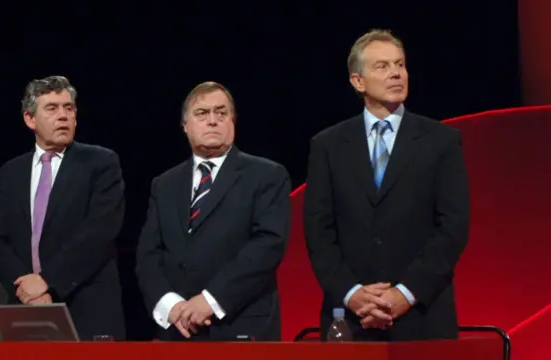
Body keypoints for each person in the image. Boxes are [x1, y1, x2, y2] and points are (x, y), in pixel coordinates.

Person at [303, 29, 470, 341]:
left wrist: (406, 294)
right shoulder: (328, 145)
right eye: (382, 66)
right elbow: (319, 233)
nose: (396, 73)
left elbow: (453, 227)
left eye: (400, 65)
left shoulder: (441, 141)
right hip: (352, 320)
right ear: (358, 81)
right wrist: (352, 294)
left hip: (423, 317)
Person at [136, 81, 291, 341]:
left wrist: (210, 300)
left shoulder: (267, 175)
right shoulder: (164, 184)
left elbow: (267, 246)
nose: (213, 121)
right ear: (185, 126)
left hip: (239, 327)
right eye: (202, 113)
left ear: (233, 121)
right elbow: (148, 256)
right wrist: (170, 306)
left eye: (221, 113)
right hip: (178, 329)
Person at [0, 76, 126, 340]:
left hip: (86, 304)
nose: (63, 116)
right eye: (52, 108)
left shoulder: (100, 163)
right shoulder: (9, 173)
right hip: (26, 304)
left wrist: (48, 282)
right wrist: (25, 287)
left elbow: (99, 231)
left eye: (69, 108)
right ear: (30, 119)